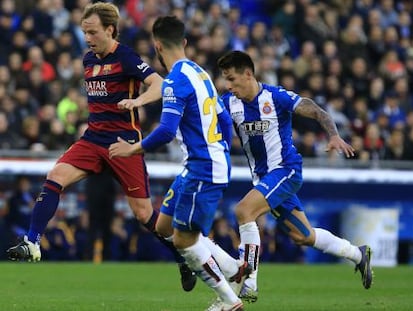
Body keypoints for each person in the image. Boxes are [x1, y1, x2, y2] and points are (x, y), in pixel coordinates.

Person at [6, 2, 196, 292]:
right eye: (84, 32)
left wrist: (137, 101)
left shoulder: (127, 57)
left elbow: (160, 84)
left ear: (110, 29)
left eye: (93, 32)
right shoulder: (87, 60)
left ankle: (182, 256)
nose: (88, 38)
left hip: (124, 144)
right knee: (55, 176)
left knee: (144, 215)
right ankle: (32, 242)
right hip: (93, 139)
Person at [109, 15, 248, 311]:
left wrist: (133, 149)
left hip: (202, 167)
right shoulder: (201, 73)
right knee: (163, 225)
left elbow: (166, 131)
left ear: (157, 46)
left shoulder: (175, 80)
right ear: (183, 43)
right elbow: (223, 119)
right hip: (200, 164)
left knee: (185, 242)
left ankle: (230, 301)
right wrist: (217, 147)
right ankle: (235, 269)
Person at [216, 50, 373, 302]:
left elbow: (316, 110)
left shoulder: (275, 96)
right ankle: (358, 254)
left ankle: (249, 283)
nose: (228, 85)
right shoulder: (228, 103)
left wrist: (332, 134)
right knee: (303, 235)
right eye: (226, 80)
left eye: (232, 79)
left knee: (244, 211)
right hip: (263, 179)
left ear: (248, 74)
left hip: (286, 170)